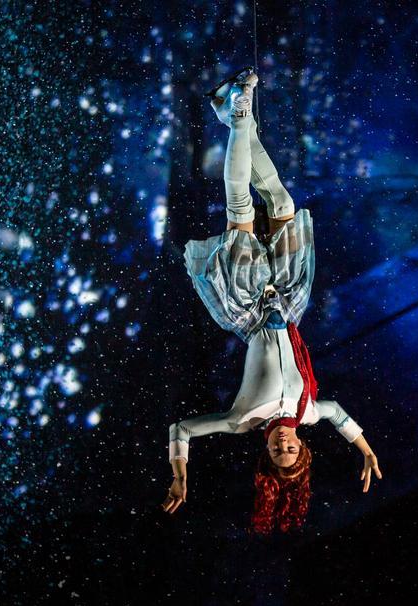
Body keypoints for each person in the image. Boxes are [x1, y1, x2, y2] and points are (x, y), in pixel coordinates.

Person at [160, 68, 382, 533]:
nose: (284, 445)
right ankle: (230, 113)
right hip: (287, 296)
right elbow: (338, 414)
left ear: (265, 452)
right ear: (302, 447)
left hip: (246, 305)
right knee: (280, 202)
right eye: (292, 451)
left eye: (277, 452)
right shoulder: (307, 413)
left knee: (239, 205)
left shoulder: (242, 420)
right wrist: (364, 449)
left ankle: (240, 112)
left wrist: (180, 475)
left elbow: (181, 429)